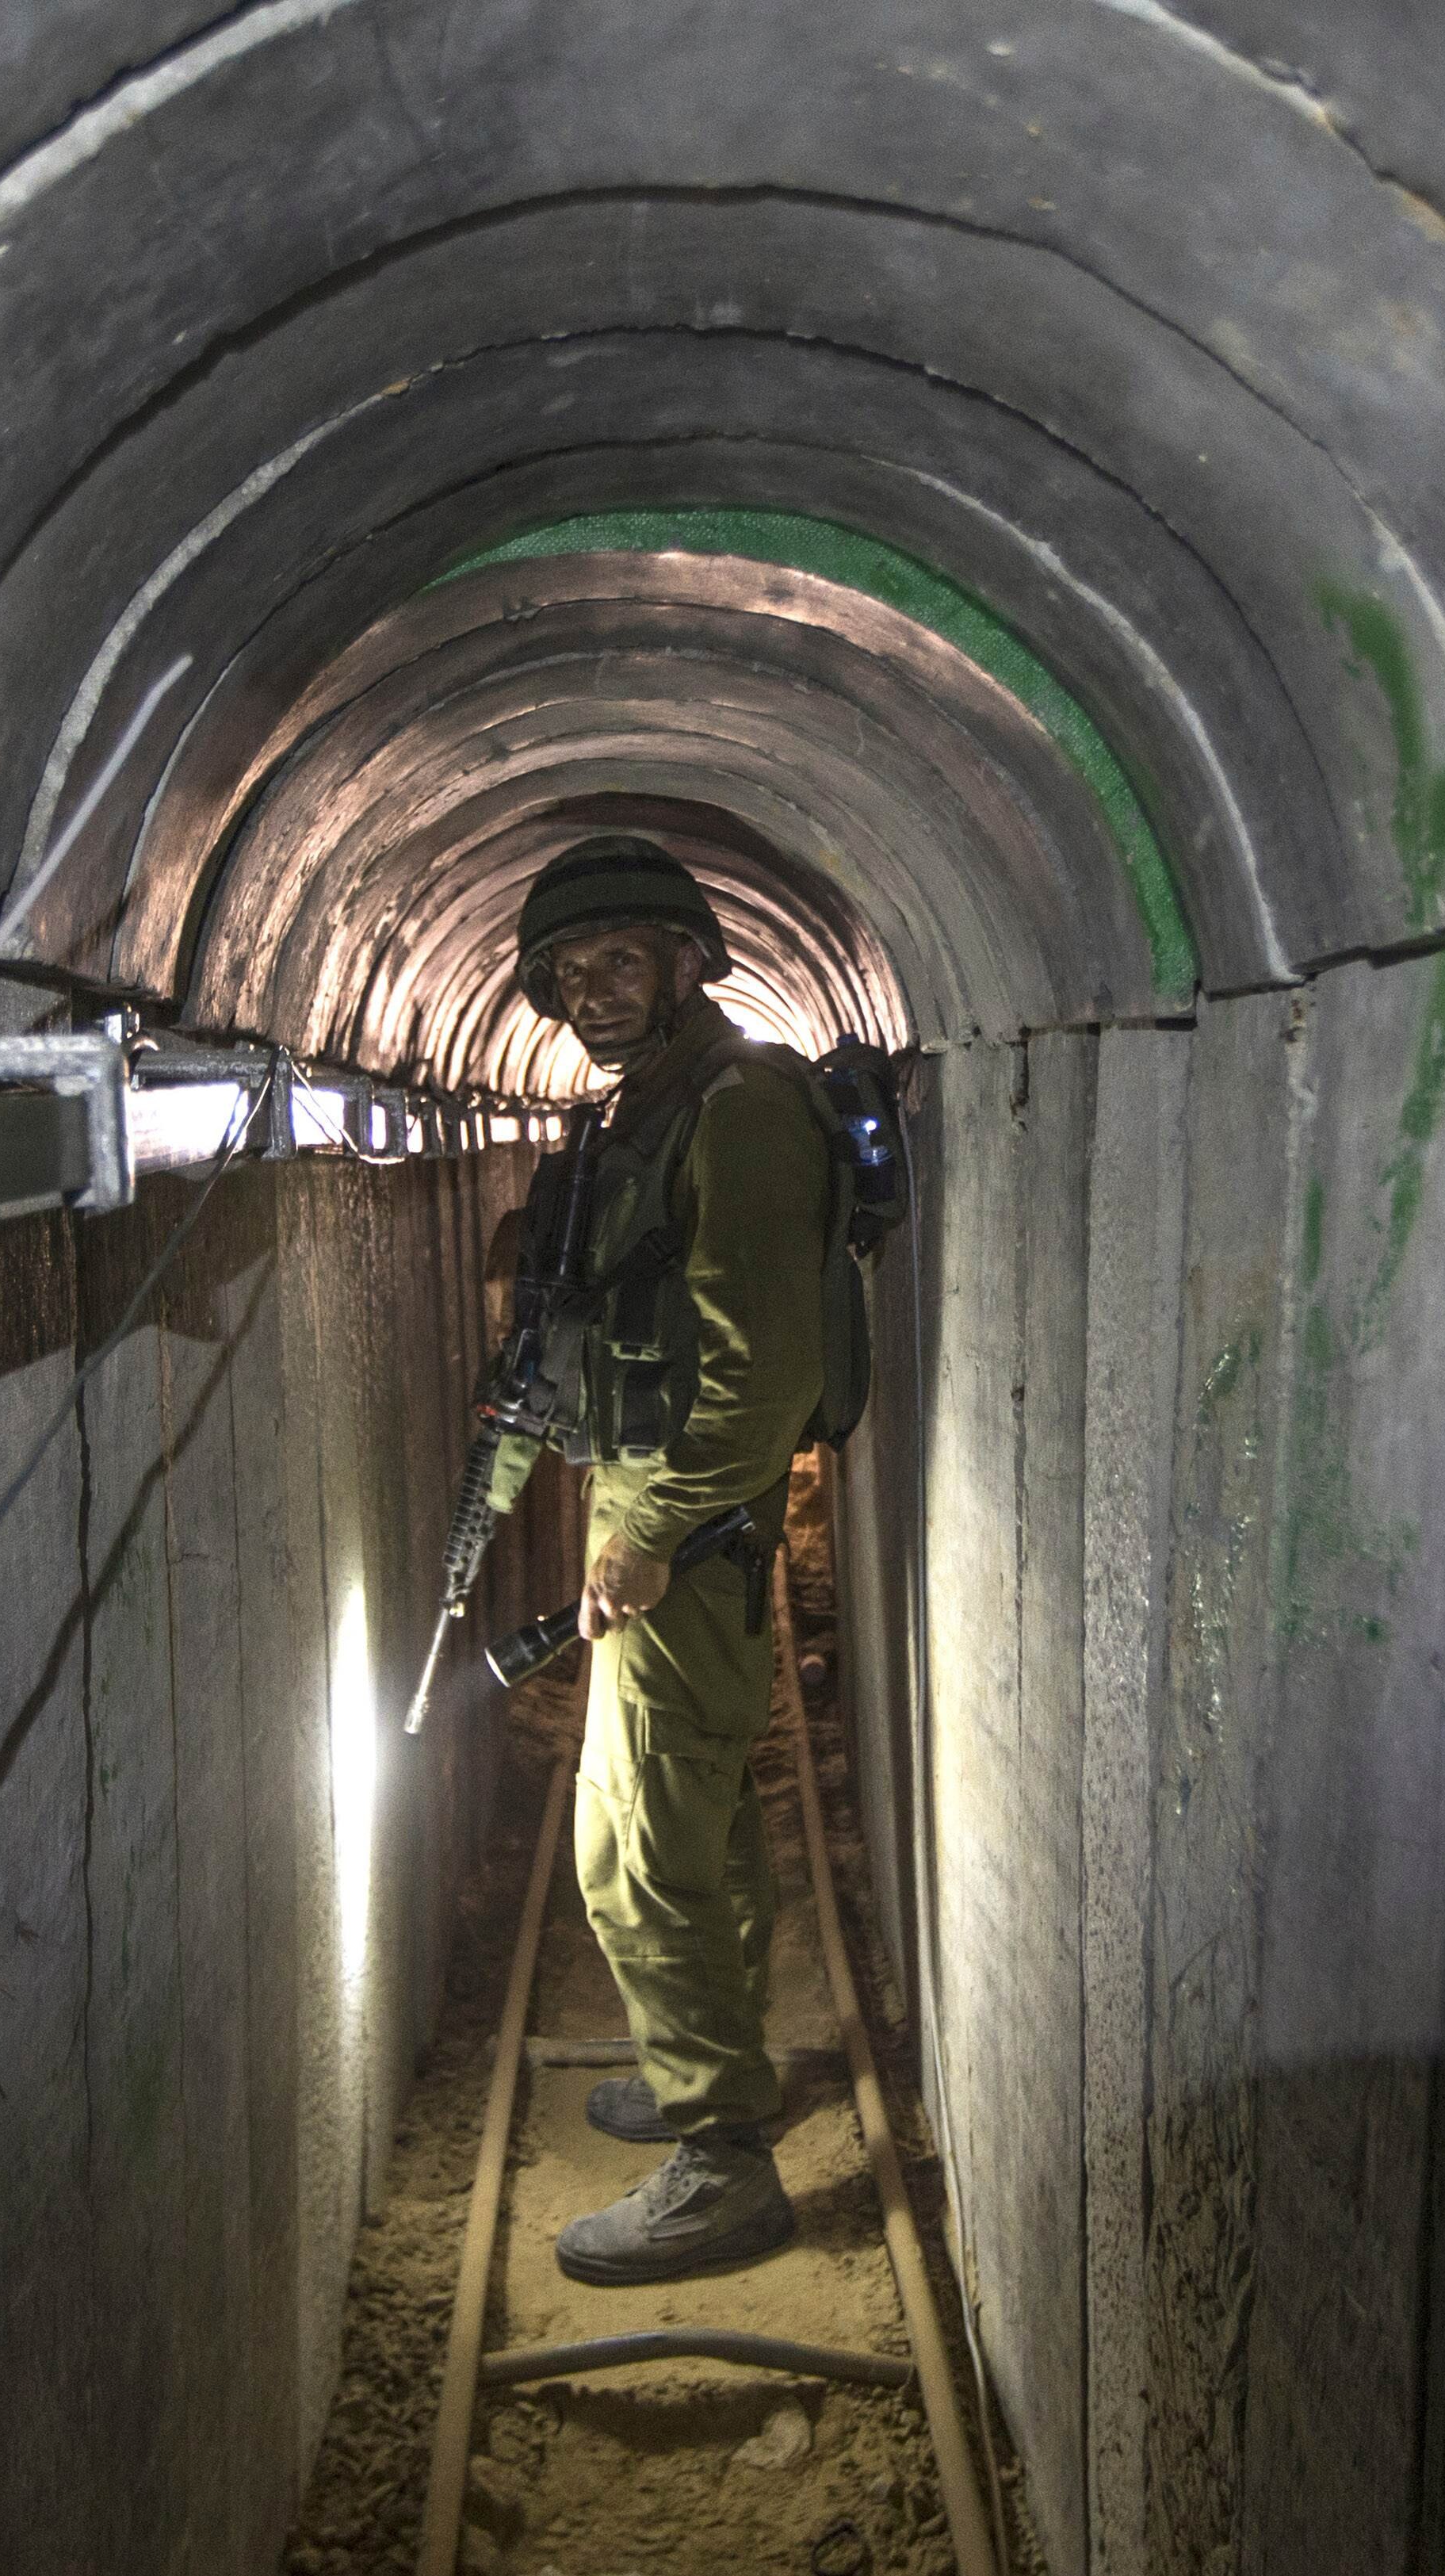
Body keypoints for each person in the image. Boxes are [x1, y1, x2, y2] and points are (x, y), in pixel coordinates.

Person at [514, 834, 834, 2286]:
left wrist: (649, 1533)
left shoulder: (741, 1106)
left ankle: (721, 2157)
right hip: (654, 1504)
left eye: (620, 961)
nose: (593, 991)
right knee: (675, 1819)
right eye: (570, 973)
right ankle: (709, 2062)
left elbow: (766, 1375)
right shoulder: (656, 1102)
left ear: (689, 958)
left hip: (685, 1519)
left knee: (637, 1849)